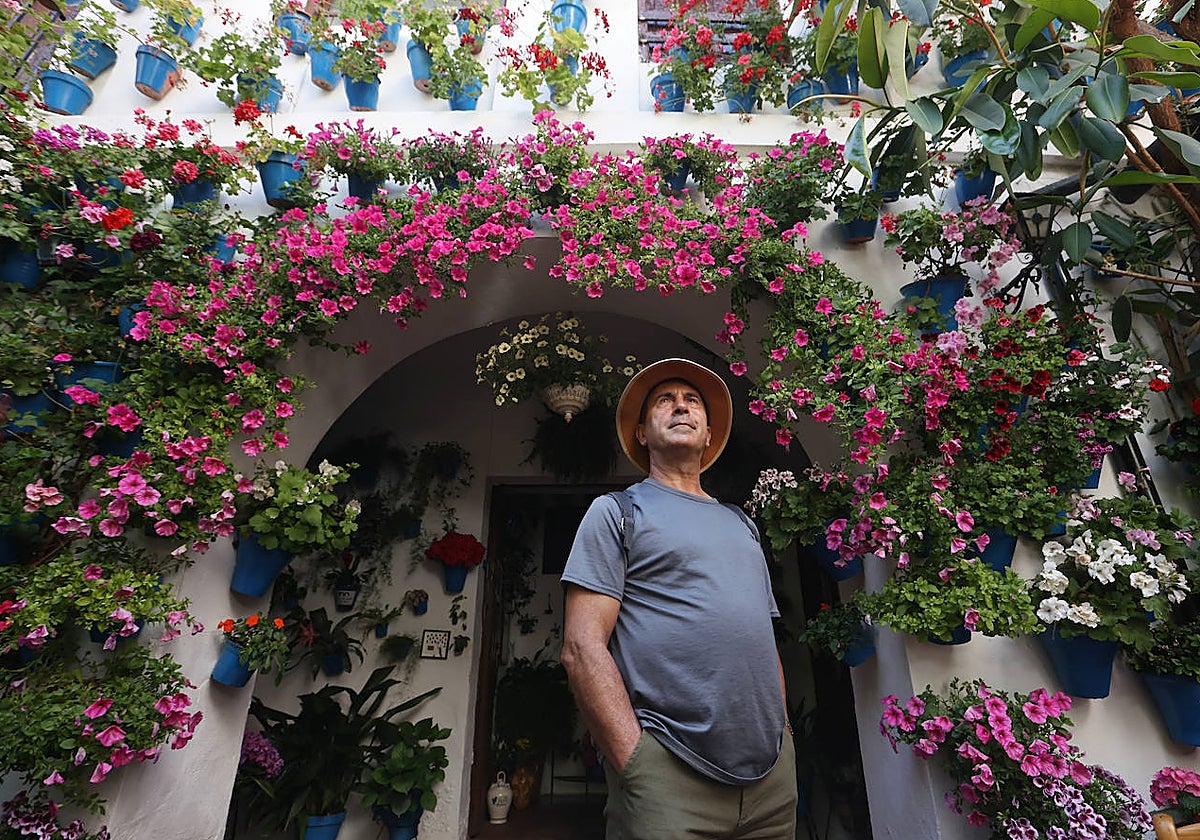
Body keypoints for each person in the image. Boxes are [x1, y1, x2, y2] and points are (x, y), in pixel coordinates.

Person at [560, 358, 797, 840]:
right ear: (642, 434)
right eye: (664, 401)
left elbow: (762, 639)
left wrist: (785, 735)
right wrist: (636, 761)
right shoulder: (617, 513)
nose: (680, 407)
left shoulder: (742, 523)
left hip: (772, 782)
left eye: (692, 402)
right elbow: (582, 648)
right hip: (669, 777)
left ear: (709, 435)